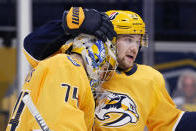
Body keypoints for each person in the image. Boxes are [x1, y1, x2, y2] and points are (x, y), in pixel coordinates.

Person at [22, 7, 196, 131]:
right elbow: (32, 48)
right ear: (109, 39)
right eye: (128, 39)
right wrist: (69, 24)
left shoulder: (149, 79)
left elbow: (172, 123)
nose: (134, 48)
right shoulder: (80, 65)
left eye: (138, 41)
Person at [6, 10, 118, 130]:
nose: (101, 76)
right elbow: (60, 125)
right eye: (104, 67)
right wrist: (67, 26)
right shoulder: (67, 67)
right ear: (96, 52)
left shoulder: (57, 64)